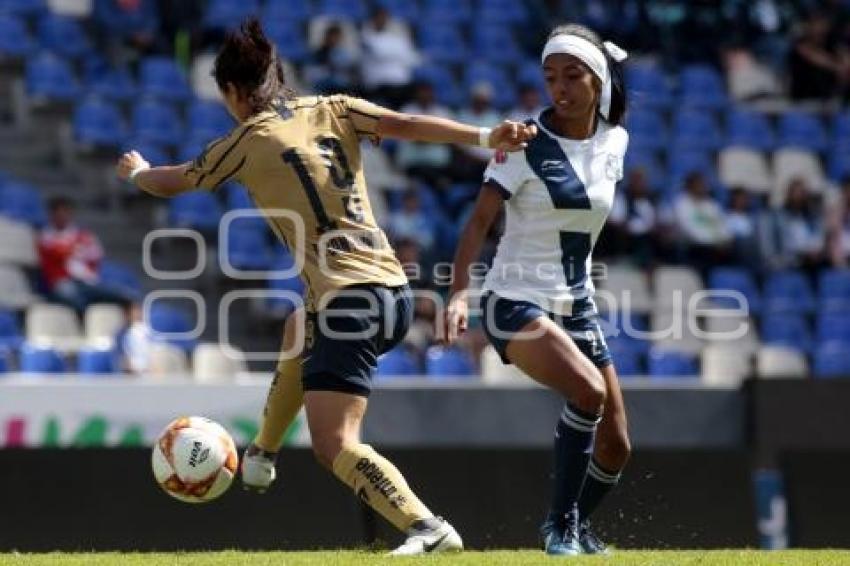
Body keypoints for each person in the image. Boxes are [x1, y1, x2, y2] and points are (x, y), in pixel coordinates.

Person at [115, 19, 535, 556]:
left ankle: (427, 527)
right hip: (393, 292)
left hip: (348, 303)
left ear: (234, 93)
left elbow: (174, 180)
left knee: (334, 443)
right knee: (298, 324)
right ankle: (263, 453)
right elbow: (404, 122)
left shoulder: (246, 140)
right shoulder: (334, 107)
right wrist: (482, 136)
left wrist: (137, 172)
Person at [442, 24, 630, 555]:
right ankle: (560, 526)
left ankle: (576, 525)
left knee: (617, 445)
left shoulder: (616, 139)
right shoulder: (523, 144)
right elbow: (478, 223)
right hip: (512, 301)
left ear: (597, 81)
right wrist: (458, 292)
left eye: (572, 76)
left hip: (578, 304)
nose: (560, 89)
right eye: (550, 78)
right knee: (587, 391)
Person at [38, 197, 123, 311]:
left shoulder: (83, 235)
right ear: (52, 214)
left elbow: (96, 254)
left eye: (65, 212)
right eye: (59, 213)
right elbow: (57, 253)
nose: (62, 216)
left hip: (86, 281)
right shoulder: (45, 236)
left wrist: (76, 249)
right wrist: (74, 249)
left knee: (120, 295)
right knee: (73, 298)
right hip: (61, 283)